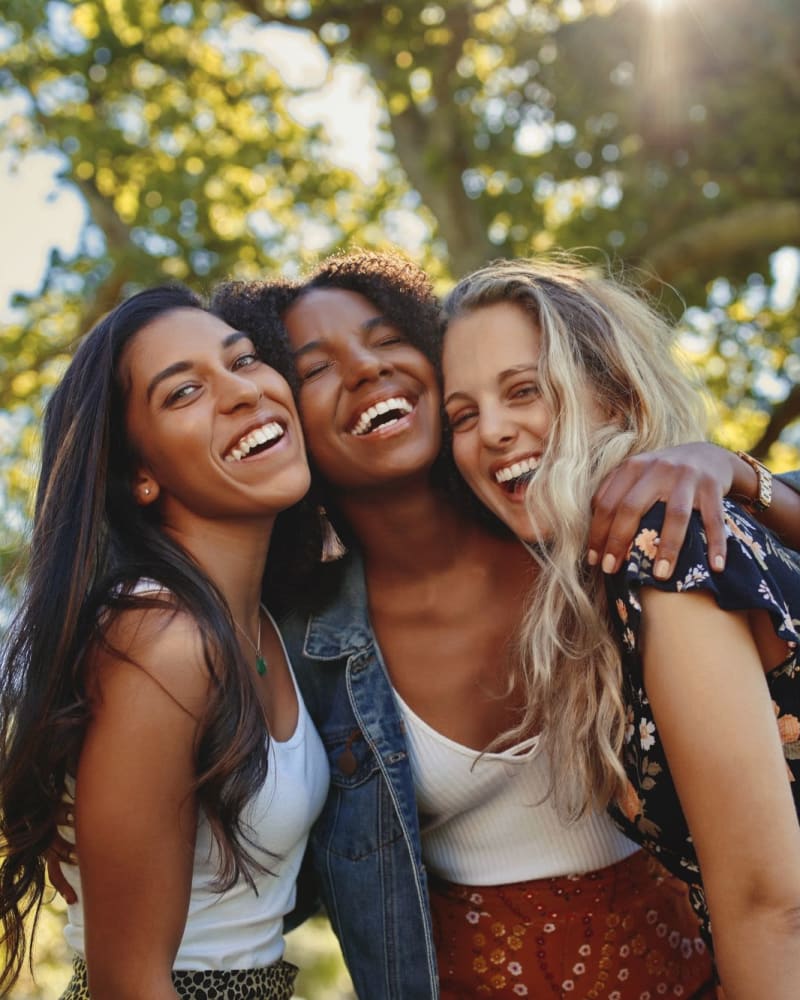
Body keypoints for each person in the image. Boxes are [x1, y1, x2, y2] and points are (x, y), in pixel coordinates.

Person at [212, 252, 800, 999]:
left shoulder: (593, 521)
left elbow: (765, 896)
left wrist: (735, 469)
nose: (365, 369)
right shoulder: (296, 644)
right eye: (315, 367)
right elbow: (255, 884)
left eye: (387, 338)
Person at [439, 256, 800, 998]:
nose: (495, 432)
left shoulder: (669, 547)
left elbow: (774, 907)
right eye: (463, 415)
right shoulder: (607, 582)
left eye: (523, 391)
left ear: (615, 395)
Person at [0, 286, 329, 999]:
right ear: (139, 477)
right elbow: (129, 985)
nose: (243, 392)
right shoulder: (161, 641)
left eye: (243, 360)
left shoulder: (265, 619)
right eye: (184, 392)